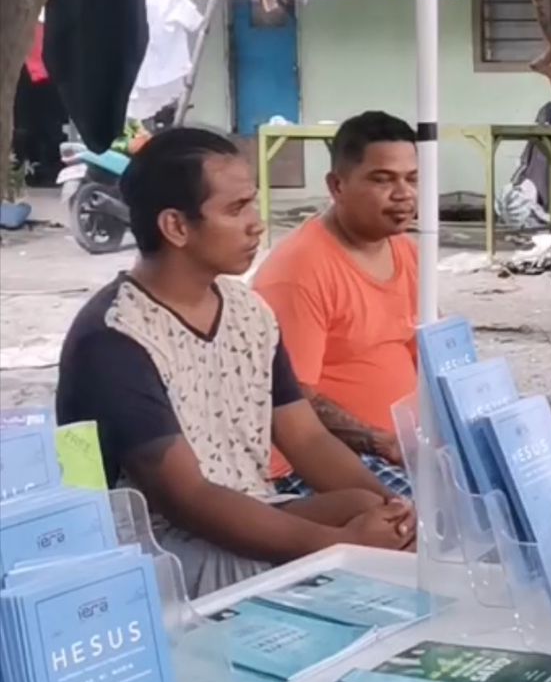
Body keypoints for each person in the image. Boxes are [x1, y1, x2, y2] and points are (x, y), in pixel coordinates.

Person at [57, 127, 415, 598]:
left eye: (253, 203)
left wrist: (396, 510)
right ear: (176, 227)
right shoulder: (113, 338)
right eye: (236, 209)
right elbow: (190, 500)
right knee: (369, 569)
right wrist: (338, 545)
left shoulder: (247, 311)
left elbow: (304, 435)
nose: (257, 223)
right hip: (163, 553)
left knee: (365, 504)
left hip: (249, 508)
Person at [253, 112, 418, 500]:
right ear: (337, 185)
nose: (403, 194)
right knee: (433, 526)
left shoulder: (407, 252)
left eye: (411, 179)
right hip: (317, 461)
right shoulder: (300, 270)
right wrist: (379, 441)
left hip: (407, 450)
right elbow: (293, 401)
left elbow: (428, 352)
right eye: (382, 180)